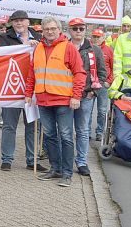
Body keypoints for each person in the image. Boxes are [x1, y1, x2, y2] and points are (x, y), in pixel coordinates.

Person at [26, 16, 85, 187]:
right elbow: (32, 74)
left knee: (66, 136)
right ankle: (55, 168)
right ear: (42, 31)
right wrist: (29, 93)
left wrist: (76, 96)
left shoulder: (68, 48)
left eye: (53, 28)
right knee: (50, 135)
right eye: (46, 29)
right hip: (43, 100)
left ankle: (67, 173)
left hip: (64, 101)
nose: (50, 32)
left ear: (59, 30)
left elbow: (80, 73)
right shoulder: (38, 49)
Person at [0, 10, 45, 172]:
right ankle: (7, 159)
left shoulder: (39, 38)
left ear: (28, 22)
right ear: (12, 23)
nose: (19, 23)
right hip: (11, 87)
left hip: (33, 88)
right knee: (9, 125)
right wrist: (24, 47)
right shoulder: (4, 38)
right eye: (15, 21)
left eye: (22, 20)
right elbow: (2, 55)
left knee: (32, 125)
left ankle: (32, 160)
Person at [66, 18, 107, 177]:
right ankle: (66, 159)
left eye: (81, 29)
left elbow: (102, 73)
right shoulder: (64, 47)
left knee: (83, 131)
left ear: (85, 30)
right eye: (75, 29)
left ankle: (82, 162)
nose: (78, 31)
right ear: (70, 30)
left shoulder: (94, 50)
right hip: (66, 95)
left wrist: (94, 92)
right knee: (65, 130)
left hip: (86, 96)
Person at [91, 28, 114, 141]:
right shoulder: (88, 49)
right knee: (88, 110)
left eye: (98, 37)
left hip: (103, 86)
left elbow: (114, 68)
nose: (96, 39)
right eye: (94, 37)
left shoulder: (109, 50)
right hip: (90, 85)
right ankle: (87, 133)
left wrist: (108, 82)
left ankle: (100, 132)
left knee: (102, 111)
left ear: (103, 38)